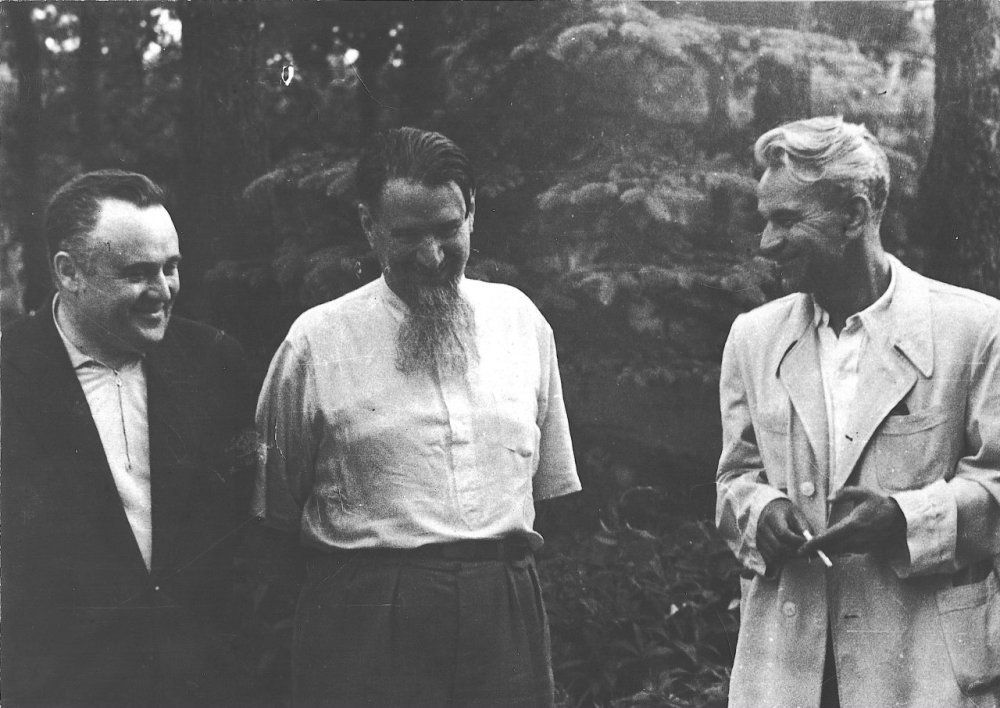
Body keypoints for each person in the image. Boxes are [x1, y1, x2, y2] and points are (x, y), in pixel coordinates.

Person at [255, 127, 581, 708]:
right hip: (366, 618)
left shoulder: (521, 322)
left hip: (503, 615)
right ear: (369, 226)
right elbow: (274, 508)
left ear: (472, 212)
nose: (431, 256)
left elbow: (548, 489)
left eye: (448, 230)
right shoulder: (317, 341)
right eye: (406, 235)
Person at [716, 116, 1000, 707]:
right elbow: (734, 479)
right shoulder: (753, 338)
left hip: (921, 669)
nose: (766, 243)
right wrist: (760, 510)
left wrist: (904, 518)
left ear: (853, 215)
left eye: (787, 219)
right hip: (788, 668)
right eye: (766, 219)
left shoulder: (975, 330)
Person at [1, 170, 257, 707]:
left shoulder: (216, 362)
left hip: (205, 686)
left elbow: (247, 537)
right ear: (68, 272)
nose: (163, 291)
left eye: (171, 267)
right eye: (137, 273)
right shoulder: (10, 374)